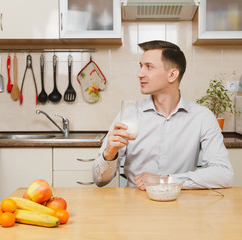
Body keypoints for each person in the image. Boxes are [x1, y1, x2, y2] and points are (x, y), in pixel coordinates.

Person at [92, 40, 233, 190]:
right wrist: (109, 154)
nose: (140, 74)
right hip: (134, 206)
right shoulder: (128, 114)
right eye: (141, 67)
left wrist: (166, 180)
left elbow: (224, 174)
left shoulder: (202, 117)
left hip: (181, 204)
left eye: (149, 67)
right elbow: (99, 180)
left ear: (172, 75)